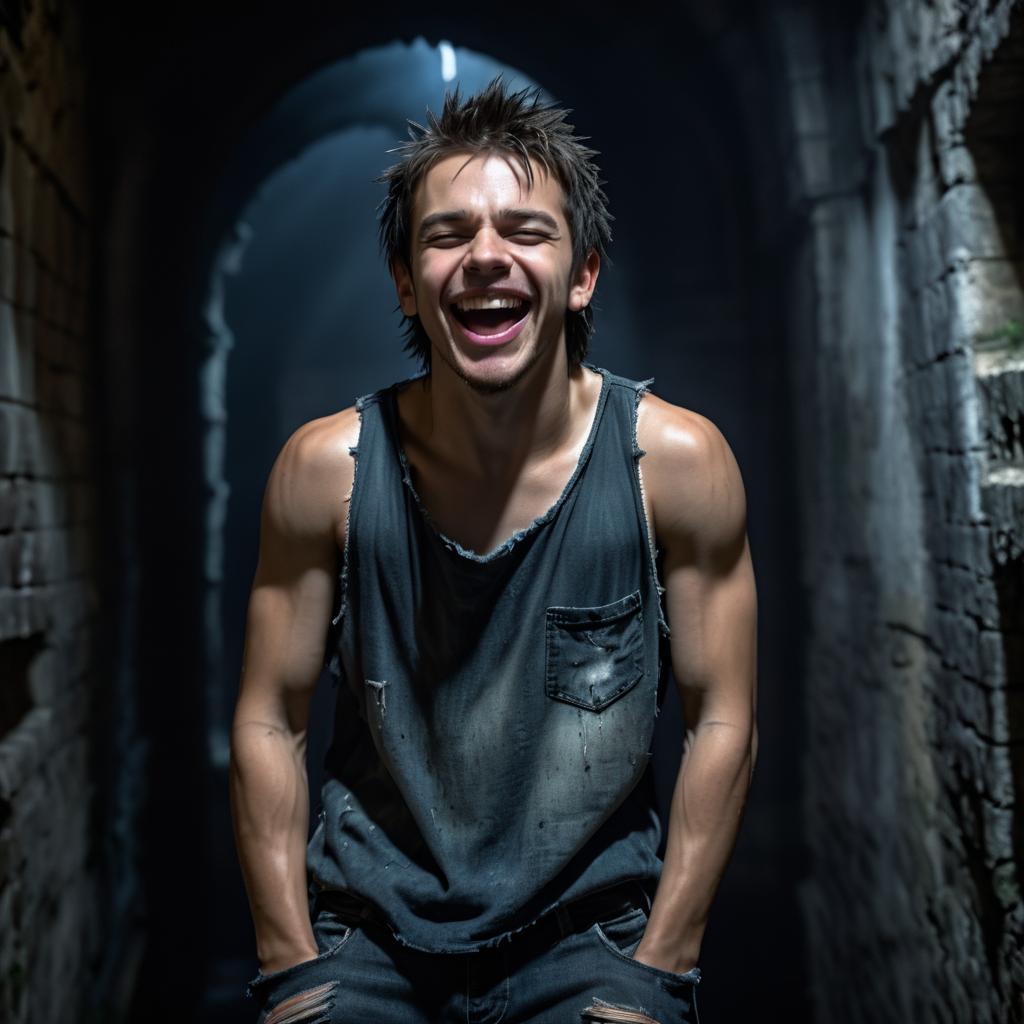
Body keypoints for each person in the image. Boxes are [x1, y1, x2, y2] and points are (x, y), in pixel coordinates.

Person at [229, 75, 758, 1024]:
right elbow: (271, 717)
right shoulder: (325, 474)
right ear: (404, 279)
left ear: (583, 273)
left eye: (525, 231)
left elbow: (722, 717)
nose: (484, 257)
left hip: (591, 942)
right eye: (446, 235)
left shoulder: (672, 465)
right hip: (370, 943)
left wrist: (660, 965)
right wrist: (291, 963)